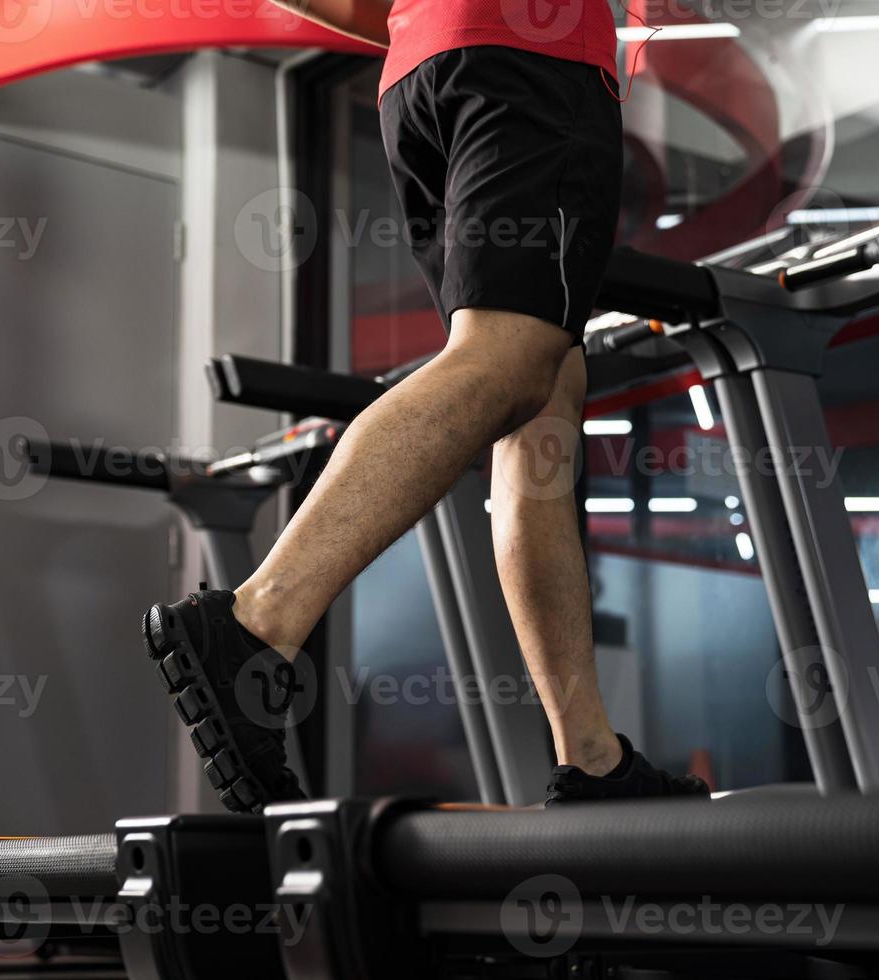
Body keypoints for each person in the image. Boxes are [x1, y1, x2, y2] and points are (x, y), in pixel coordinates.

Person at [143, 0, 709, 811]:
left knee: (542, 394)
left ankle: (590, 754)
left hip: (422, 74)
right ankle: (256, 623)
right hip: (533, 61)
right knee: (508, 362)